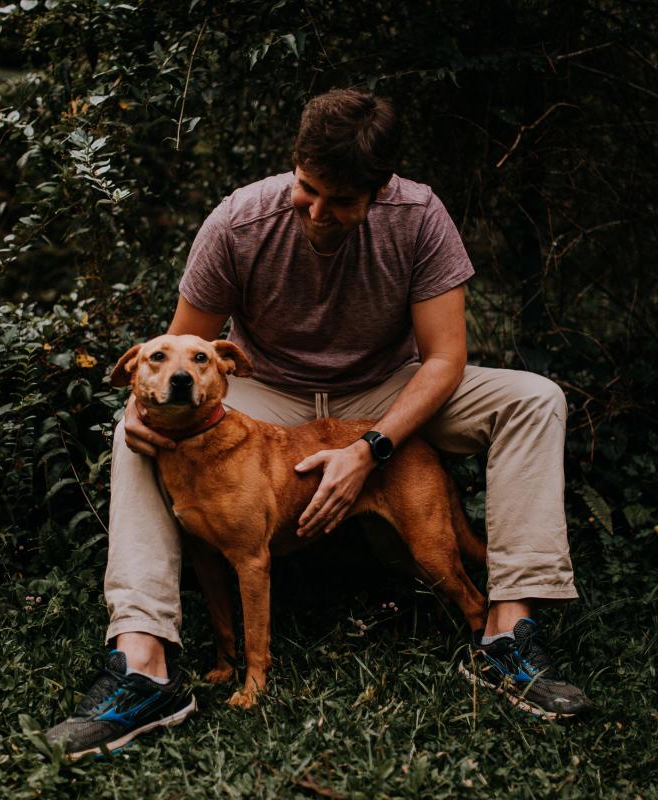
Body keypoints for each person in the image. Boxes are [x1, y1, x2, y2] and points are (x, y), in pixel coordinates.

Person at [46, 89, 592, 759]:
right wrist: (146, 415)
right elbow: (178, 357)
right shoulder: (238, 222)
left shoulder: (419, 217)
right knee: (134, 432)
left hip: (386, 387)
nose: (318, 211)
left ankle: (506, 634)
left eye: (341, 202)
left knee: (535, 397)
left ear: (380, 189)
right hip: (268, 393)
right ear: (294, 161)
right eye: (308, 189)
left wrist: (373, 446)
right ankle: (142, 660)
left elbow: (446, 359)